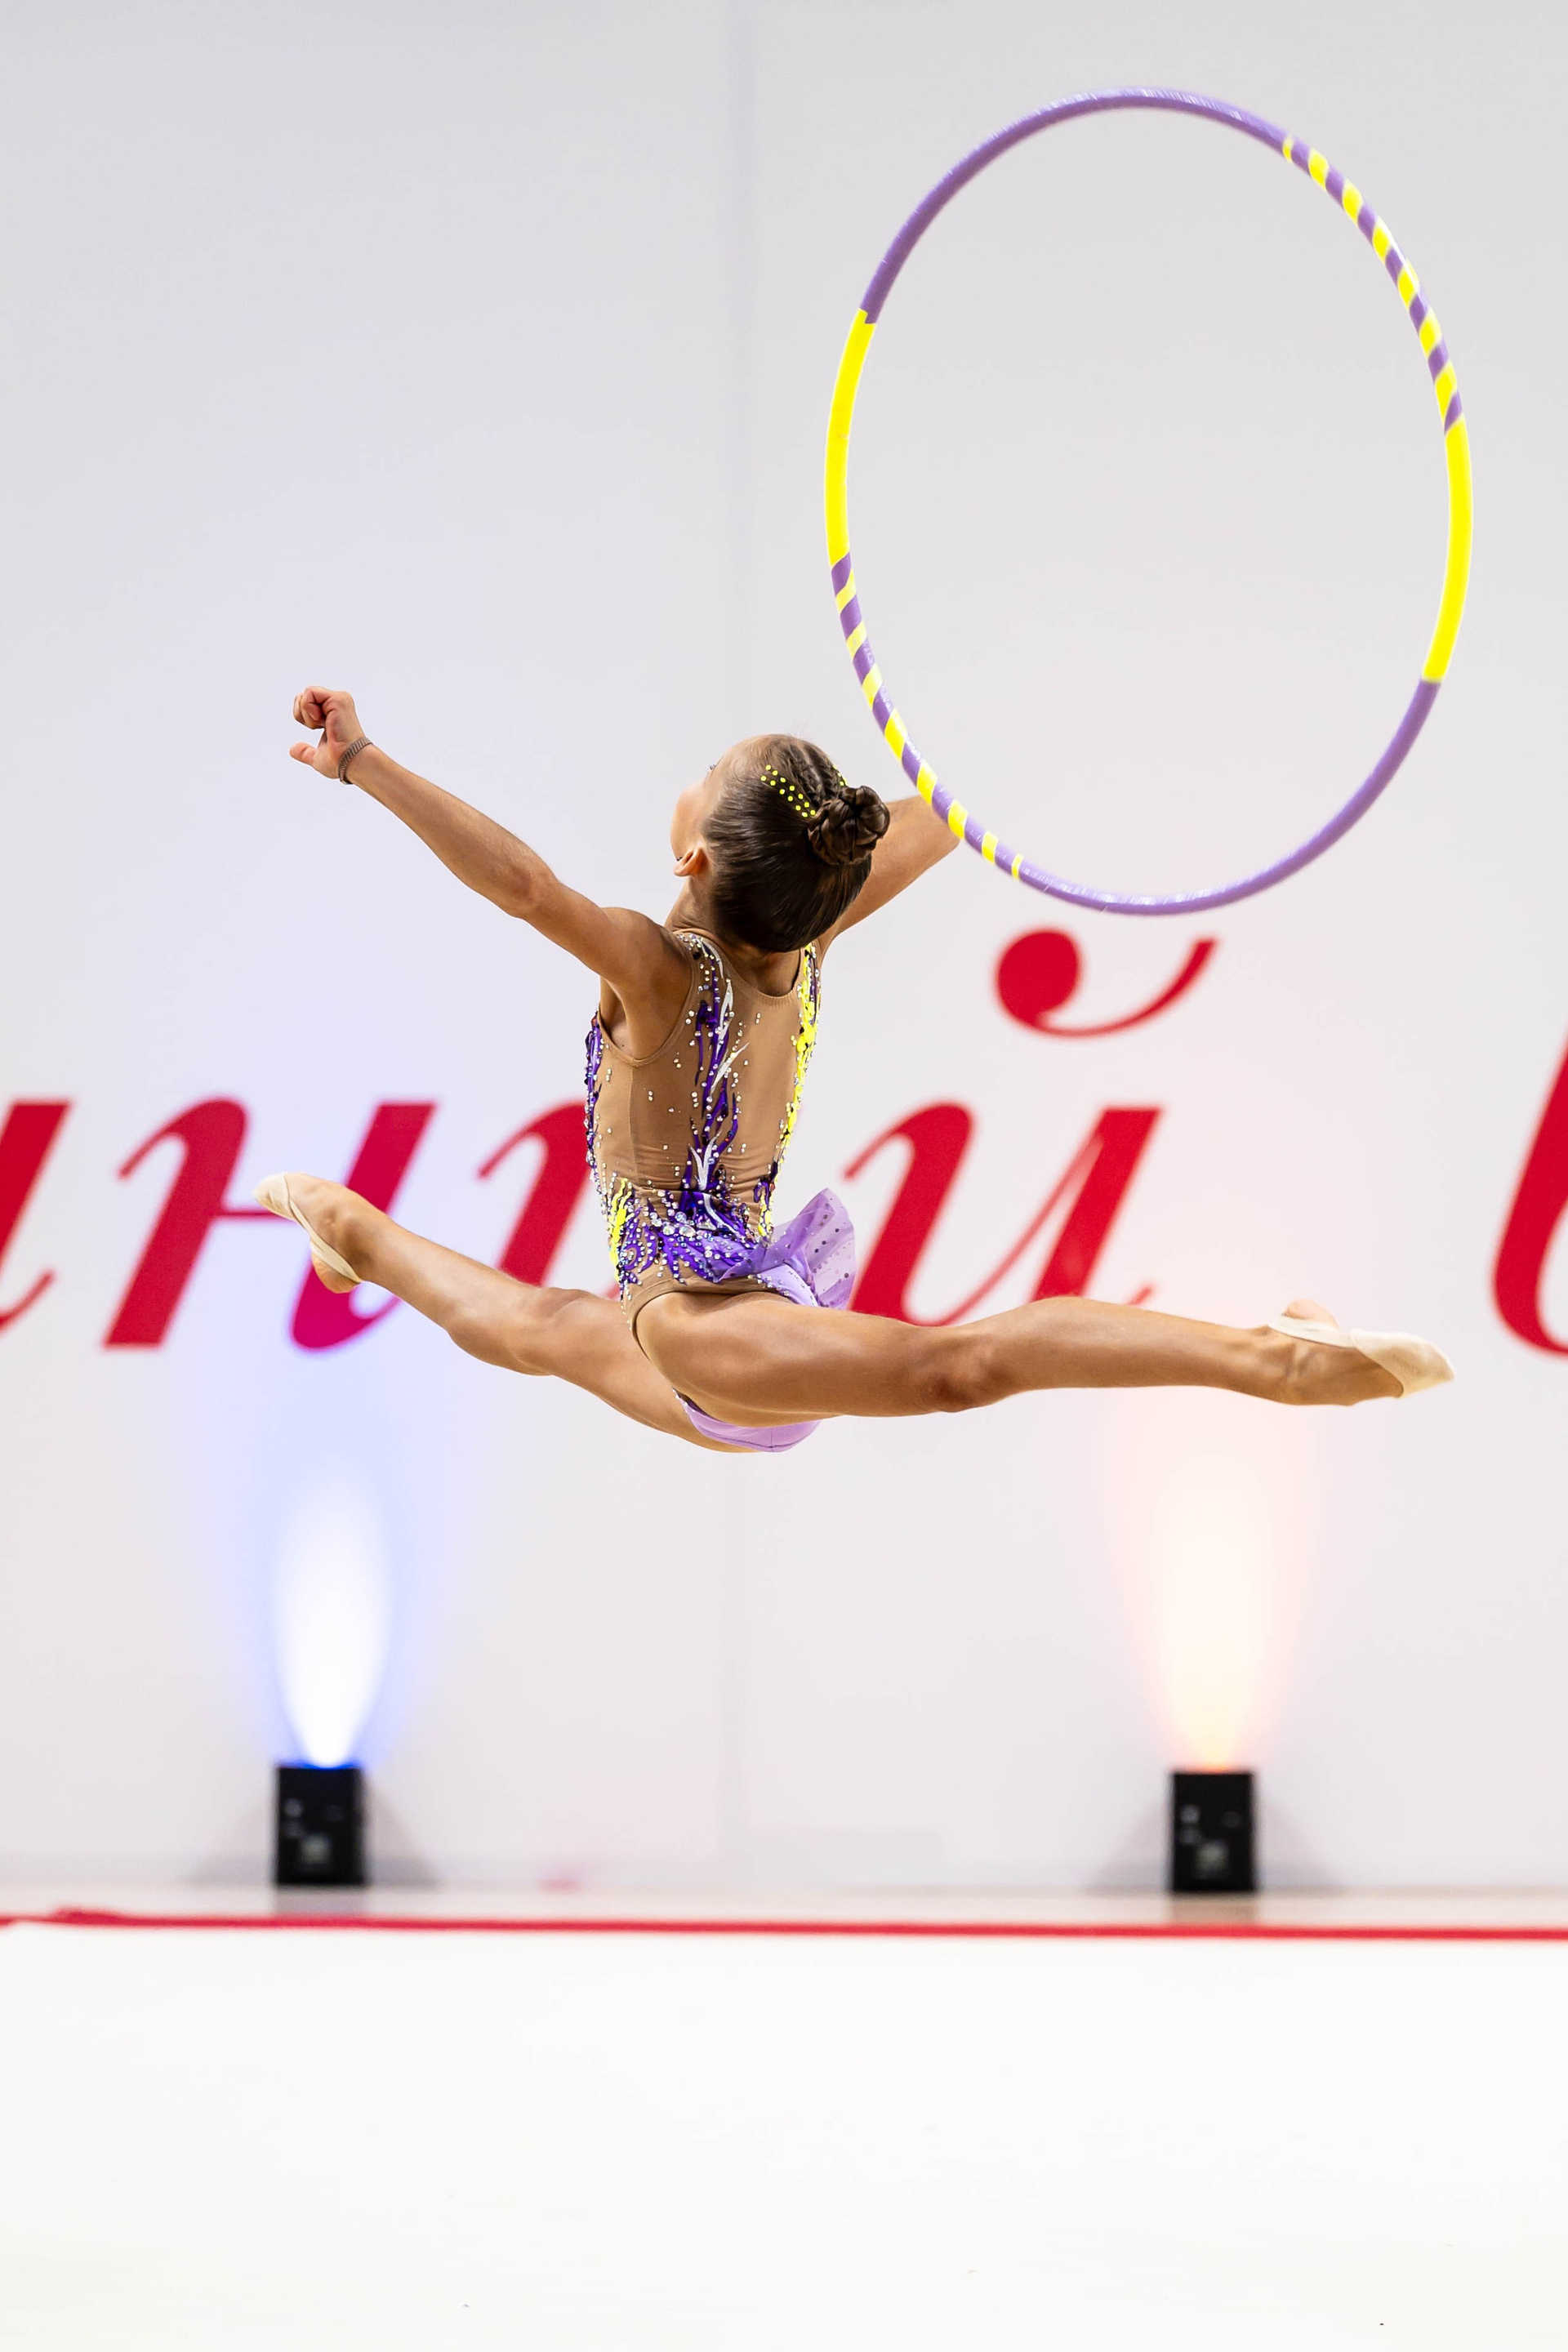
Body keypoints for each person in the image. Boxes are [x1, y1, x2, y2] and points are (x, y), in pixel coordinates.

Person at [257, 688, 1451, 1454]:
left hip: (707, 1330)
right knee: (537, 1327)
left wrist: (365, 760)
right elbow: (947, 814)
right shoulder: (807, 939)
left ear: (692, 853)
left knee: (957, 1367)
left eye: (709, 769)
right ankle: (348, 1229)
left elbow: (526, 888)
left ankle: (1276, 1361)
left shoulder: (658, 972)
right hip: (726, 1320)